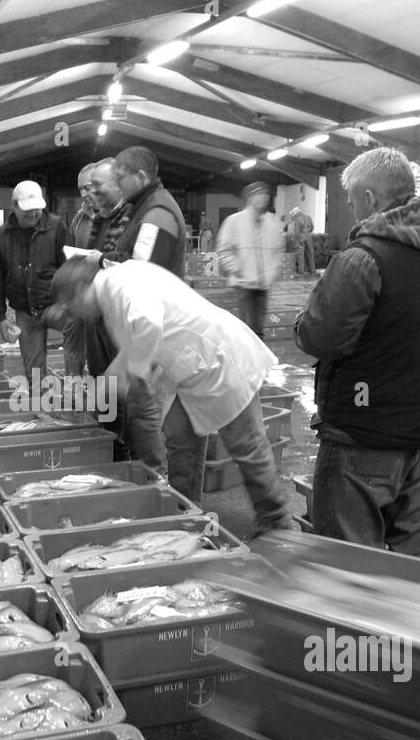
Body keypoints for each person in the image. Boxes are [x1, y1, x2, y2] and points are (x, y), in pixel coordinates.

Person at [295, 147, 420, 557]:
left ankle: (353, 625)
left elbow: (319, 338)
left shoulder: (363, 258)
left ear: (370, 199)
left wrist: (305, 319)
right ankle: (400, 622)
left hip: (364, 438)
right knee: (411, 555)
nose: (353, 210)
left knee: (351, 561)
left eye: (353, 200)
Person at [50, 256, 299, 535]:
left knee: (247, 446)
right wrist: (100, 390)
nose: (72, 314)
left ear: (83, 288)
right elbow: (131, 348)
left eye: (69, 306)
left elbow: (147, 323)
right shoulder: (115, 291)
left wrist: (138, 370)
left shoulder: (120, 284)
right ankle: (185, 511)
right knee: (180, 438)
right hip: (190, 371)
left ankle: (277, 523)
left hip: (220, 361)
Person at [82, 156, 166, 472]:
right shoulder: (98, 219)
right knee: (105, 383)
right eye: (87, 187)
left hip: (129, 317)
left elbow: (135, 264)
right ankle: (114, 446)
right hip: (102, 314)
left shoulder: (140, 216)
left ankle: (142, 462)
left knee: (133, 393)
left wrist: (101, 259)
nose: (91, 192)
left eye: (97, 185)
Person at [0, 180, 78, 387]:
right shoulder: (3, 235)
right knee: (34, 371)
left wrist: (68, 304)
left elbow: (71, 268)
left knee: (79, 335)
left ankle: (77, 389)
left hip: (56, 306)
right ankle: (44, 412)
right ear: (14, 205)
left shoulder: (57, 228)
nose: (33, 214)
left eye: (37, 209)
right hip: (26, 312)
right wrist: (1, 316)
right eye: (27, 210)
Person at [106, 146, 188, 278]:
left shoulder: (157, 214)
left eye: (120, 178)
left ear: (140, 177)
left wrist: (102, 261)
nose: (117, 184)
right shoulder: (143, 206)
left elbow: (141, 272)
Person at [216, 181, 284, 339]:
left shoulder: (273, 223)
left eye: (266, 195)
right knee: (246, 329)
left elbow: (279, 250)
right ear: (250, 198)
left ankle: (258, 362)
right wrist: (237, 267)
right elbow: (224, 249)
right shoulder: (234, 221)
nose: (264, 198)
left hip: (264, 285)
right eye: (259, 195)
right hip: (244, 284)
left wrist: (273, 270)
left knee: (258, 330)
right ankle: (245, 361)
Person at [71, 163, 99, 249]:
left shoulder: (120, 215)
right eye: (80, 189)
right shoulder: (79, 217)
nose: (83, 195)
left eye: (87, 187)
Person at [288, 207, 316, 275]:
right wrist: (308, 232)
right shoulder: (308, 217)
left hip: (301, 237)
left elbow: (297, 233)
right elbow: (312, 227)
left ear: (296, 213)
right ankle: (312, 270)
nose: (293, 217)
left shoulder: (297, 220)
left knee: (300, 254)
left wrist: (296, 241)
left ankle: (301, 272)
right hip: (309, 236)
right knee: (310, 254)